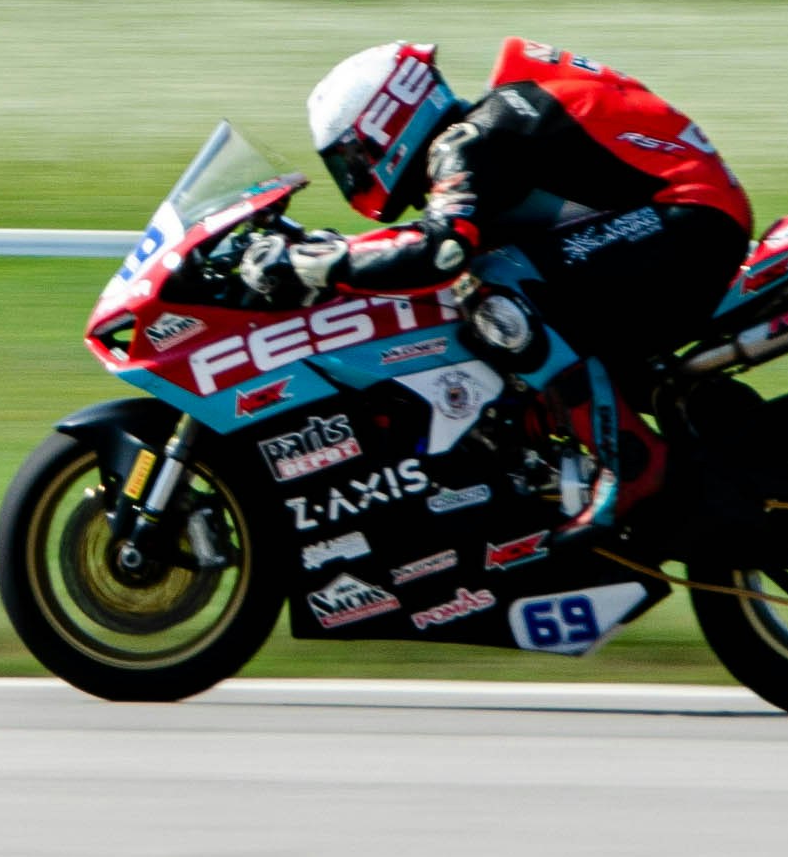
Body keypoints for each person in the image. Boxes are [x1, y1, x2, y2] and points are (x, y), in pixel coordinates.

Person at [221, 37, 758, 522]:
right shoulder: (490, 133)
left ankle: (631, 460)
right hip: (678, 221)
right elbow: (429, 241)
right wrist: (332, 251)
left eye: (353, 157)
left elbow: (439, 250)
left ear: (387, 123)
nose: (353, 174)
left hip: (690, 217)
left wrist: (315, 262)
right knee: (489, 288)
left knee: (496, 284)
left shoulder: (469, 140)